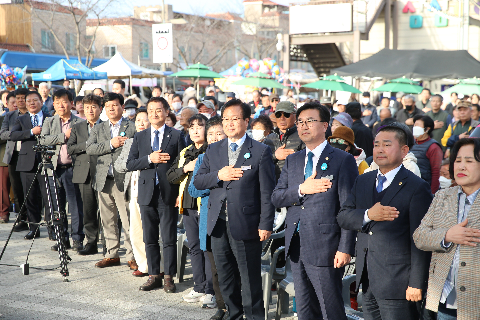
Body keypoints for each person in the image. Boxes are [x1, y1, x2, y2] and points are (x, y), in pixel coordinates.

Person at [271, 101, 358, 320]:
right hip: (296, 243)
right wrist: (301, 189)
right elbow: (276, 197)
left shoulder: (342, 160)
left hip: (327, 247)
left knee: (330, 309)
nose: (303, 126)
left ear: (325, 125)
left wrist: (345, 248)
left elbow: (349, 207)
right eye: (300, 121)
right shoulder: (293, 160)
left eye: (310, 121)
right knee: (304, 309)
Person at [337, 122, 433, 320]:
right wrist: (367, 215)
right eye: (376, 144)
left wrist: (416, 282)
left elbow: (421, 240)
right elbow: (343, 216)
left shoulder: (416, 187)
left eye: (387, 144)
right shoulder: (363, 179)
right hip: (367, 277)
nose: (380, 149)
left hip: (398, 281)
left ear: (404, 150)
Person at [194, 99, 276, 320]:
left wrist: (265, 224)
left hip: (247, 225)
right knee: (225, 276)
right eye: (226, 119)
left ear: (246, 121)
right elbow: (199, 182)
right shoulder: (213, 149)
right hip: (218, 224)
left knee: (250, 279)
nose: (229, 123)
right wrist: (218, 176)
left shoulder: (260, 151)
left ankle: (255, 317)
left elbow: (267, 193)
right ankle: (234, 315)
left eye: (235, 119)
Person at [413, 138, 480, 320]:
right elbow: (419, 236)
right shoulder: (443, 196)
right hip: (445, 297)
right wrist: (447, 236)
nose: (461, 166)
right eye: (457, 160)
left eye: (469, 161)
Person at [126, 97, 186, 292]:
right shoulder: (140, 136)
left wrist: (179, 192)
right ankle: (153, 275)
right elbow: (130, 164)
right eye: (150, 110)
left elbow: (181, 165)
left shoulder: (176, 136)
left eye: (158, 110)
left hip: (168, 193)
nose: (154, 114)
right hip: (146, 193)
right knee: (149, 237)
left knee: (168, 238)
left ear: (166, 112)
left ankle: (168, 276)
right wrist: (149, 159)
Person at [167, 114, 216, 307]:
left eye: (200, 126)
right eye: (192, 126)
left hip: (204, 205)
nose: (195, 130)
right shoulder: (186, 150)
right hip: (187, 204)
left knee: (207, 249)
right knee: (194, 247)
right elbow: (171, 176)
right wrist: (186, 168)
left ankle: (211, 291)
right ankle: (199, 286)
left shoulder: (212, 150)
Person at [86, 92, 136, 269]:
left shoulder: (132, 126)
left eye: (114, 105)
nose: (111, 108)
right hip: (103, 179)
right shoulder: (99, 128)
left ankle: (132, 255)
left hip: (124, 179)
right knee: (107, 220)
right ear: (103, 109)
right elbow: (89, 148)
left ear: (122, 106)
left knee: (128, 220)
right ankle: (112, 254)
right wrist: (110, 144)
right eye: (108, 106)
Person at [188, 115, 228, 320]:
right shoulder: (203, 159)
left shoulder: (234, 158)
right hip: (209, 219)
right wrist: (217, 180)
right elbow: (193, 189)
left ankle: (236, 306)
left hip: (233, 220)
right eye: (210, 133)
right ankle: (221, 307)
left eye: (218, 133)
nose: (213, 137)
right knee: (215, 268)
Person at [40, 89, 85, 251]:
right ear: (53, 104)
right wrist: (63, 136)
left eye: (64, 101)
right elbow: (43, 140)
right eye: (57, 102)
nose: (60, 105)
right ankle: (62, 238)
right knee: (57, 207)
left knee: (75, 206)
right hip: (54, 169)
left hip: (72, 169)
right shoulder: (49, 122)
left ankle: (77, 239)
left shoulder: (79, 123)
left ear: (71, 103)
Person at [10, 90, 52, 239]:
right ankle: (34, 228)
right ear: (25, 104)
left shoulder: (50, 118)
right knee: (31, 197)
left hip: (47, 161)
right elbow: (13, 135)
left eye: (35, 100)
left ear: (41, 102)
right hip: (27, 163)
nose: (32, 103)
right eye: (29, 101)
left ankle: (52, 229)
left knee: (48, 196)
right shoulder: (21, 119)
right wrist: (31, 132)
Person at [114, 107, 150, 277]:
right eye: (138, 120)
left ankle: (157, 266)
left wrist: (138, 161)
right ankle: (143, 265)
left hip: (150, 191)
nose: (141, 123)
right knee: (136, 231)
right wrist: (134, 163)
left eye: (145, 119)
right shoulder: (130, 142)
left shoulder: (154, 141)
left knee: (152, 232)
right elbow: (119, 164)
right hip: (133, 191)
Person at [67, 94, 103, 255]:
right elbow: (70, 148)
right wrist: (88, 145)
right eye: (87, 107)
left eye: (93, 106)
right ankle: (91, 243)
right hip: (84, 173)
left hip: (103, 172)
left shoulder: (106, 126)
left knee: (106, 212)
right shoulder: (78, 127)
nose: (90, 110)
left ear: (100, 109)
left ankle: (109, 244)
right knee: (88, 210)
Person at [0, 90, 28, 229]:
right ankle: (21, 218)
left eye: (23, 98)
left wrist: (14, 134)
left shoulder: (33, 115)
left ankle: (31, 218)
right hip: (13, 155)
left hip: (30, 156)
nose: (21, 101)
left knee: (30, 189)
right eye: (18, 98)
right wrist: (22, 134)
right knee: (16, 190)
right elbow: (3, 134)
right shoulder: (10, 116)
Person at [270, 101, 304, 180]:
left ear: (295, 117)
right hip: (271, 185)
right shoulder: (269, 137)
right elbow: (260, 162)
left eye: (286, 114)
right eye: (278, 115)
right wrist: (275, 156)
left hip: (293, 185)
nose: (282, 118)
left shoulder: (302, 137)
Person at [411, 115, 443, 194]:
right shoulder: (410, 144)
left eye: (418, 125)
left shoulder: (433, 147)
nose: (415, 127)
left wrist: (431, 193)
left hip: (424, 188)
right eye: (414, 125)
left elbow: (436, 172)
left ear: (427, 129)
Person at [0, 113, 9, 223]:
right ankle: (4, 213)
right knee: (3, 188)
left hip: (23, 157)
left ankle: (24, 215)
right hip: (3, 157)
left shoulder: (27, 117)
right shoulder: (2, 119)